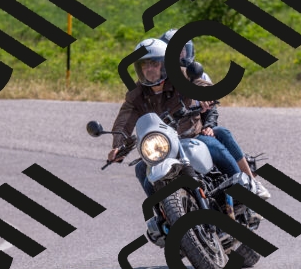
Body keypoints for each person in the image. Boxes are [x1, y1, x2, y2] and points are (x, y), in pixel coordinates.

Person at [107, 38, 264, 202]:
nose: (149, 69)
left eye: (154, 64)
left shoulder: (180, 75)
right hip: (163, 147)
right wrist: (118, 145)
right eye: (144, 65)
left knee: (215, 146)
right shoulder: (136, 94)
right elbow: (124, 121)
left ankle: (243, 188)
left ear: (164, 64)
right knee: (141, 169)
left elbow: (200, 83)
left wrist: (205, 95)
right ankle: (163, 211)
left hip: (192, 136)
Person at [159, 28, 271, 199]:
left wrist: (209, 125)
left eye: (182, 51)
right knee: (142, 169)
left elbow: (210, 105)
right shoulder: (157, 81)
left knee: (221, 134)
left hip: (195, 133)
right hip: (168, 140)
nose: (178, 56)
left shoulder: (198, 74)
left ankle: (249, 182)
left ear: (188, 51)